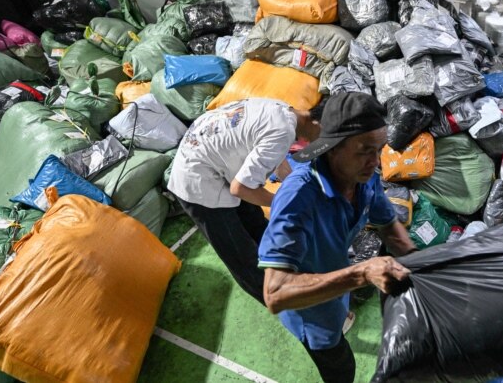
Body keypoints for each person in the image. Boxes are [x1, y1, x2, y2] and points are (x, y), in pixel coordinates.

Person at [257, 92, 418, 383]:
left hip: (335, 285)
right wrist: (362, 274)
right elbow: (275, 294)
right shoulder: (298, 198)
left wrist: (424, 267)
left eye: (379, 150)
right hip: (311, 311)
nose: (375, 161)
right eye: (364, 151)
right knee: (341, 368)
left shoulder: (364, 178)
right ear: (332, 148)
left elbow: (390, 228)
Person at [167, 98, 321, 305]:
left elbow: (276, 157)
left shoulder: (283, 110)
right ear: (315, 122)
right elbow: (240, 189)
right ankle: (297, 308)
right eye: (324, 136)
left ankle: (301, 278)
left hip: (219, 166)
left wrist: (299, 192)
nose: (319, 143)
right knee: (243, 256)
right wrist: (283, 202)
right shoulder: (283, 130)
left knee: (258, 227)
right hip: (197, 182)